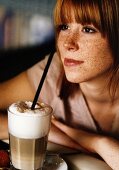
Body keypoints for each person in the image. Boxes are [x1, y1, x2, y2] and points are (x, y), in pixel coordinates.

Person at [0, 0, 119, 169]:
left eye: (88, 29)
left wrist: (101, 143)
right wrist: (49, 132)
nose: (67, 43)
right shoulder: (54, 72)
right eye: (64, 26)